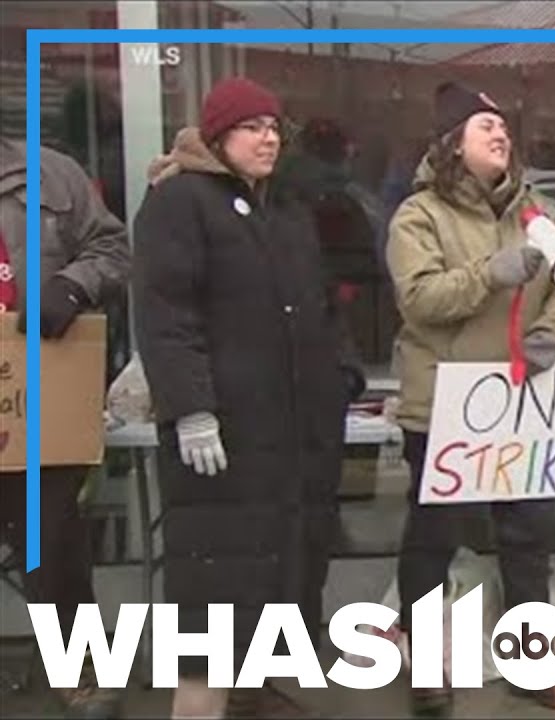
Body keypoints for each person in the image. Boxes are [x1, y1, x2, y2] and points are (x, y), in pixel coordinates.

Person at [132, 77, 364, 719]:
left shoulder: (284, 208)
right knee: (213, 600)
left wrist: (341, 375)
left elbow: (319, 303)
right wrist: (191, 407)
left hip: (289, 437)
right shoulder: (180, 202)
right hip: (223, 440)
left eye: (274, 127)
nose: (268, 139)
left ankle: (254, 696)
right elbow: (165, 314)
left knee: (280, 581)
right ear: (217, 136)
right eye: (251, 127)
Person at [385, 81, 555, 718]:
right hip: (446, 403)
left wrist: (554, 332)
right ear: (453, 145)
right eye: (484, 128)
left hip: (521, 405)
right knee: (435, 539)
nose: (500, 136)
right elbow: (419, 301)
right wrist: (488, 275)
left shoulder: (540, 213)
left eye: (503, 128)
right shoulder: (418, 216)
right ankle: (426, 663)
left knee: (528, 536)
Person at [0, 137, 130, 719]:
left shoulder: (50, 173)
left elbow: (114, 245)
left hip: (36, 395)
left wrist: (72, 284)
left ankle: (78, 670)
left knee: (50, 538)